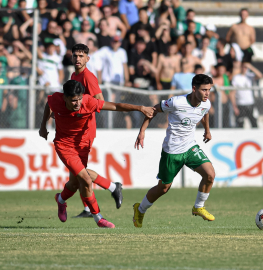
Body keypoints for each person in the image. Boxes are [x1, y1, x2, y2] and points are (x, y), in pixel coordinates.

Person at [39, 80, 154, 228]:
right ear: (65, 98)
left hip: (82, 146)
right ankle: (98, 218)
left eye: (80, 98)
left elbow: (115, 106)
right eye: (74, 100)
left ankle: (60, 199)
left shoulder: (88, 102)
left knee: (75, 183)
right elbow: (49, 104)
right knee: (86, 180)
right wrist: (43, 126)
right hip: (64, 146)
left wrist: (140, 108)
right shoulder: (56, 99)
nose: (78, 103)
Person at [132, 74, 215, 228]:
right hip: (172, 151)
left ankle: (198, 207)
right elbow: (153, 110)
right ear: (194, 88)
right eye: (204, 90)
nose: (207, 93)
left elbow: (205, 113)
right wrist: (142, 132)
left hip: (190, 147)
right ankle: (140, 208)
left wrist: (207, 130)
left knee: (210, 175)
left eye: (209, 90)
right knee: (163, 188)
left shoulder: (206, 103)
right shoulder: (176, 102)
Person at [70, 43, 123, 218]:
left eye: (81, 56)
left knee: (80, 171)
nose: (78, 59)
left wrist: (82, 113)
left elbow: (100, 101)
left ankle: (112, 187)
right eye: (75, 55)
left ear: (87, 58)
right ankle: (89, 206)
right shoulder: (73, 76)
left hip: (86, 128)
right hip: (77, 127)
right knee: (78, 171)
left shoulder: (88, 77)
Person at [230, 61, 263, 128]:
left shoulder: (250, 76)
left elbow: (260, 76)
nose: (244, 68)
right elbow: (232, 93)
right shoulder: (236, 78)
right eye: (243, 67)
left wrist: (250, 67)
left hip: (250, 104)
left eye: (246, 67)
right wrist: (234, 106)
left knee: (254, 122)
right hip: (240, 104)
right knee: (240, 123)